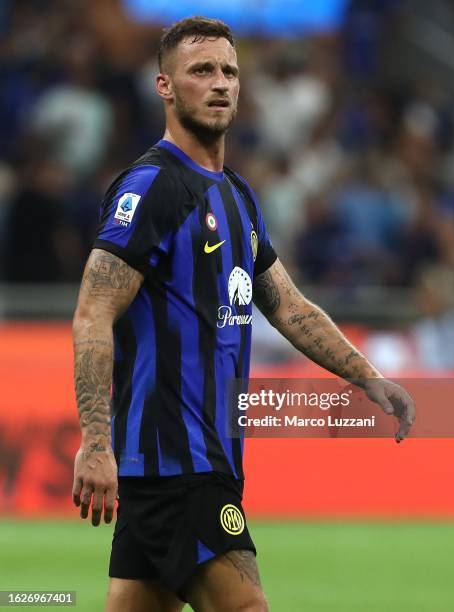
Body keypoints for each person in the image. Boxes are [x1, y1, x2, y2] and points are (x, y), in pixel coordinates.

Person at [71, 16, 415, 612]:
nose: (221, 83)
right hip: (179, 462)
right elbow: (92, 314)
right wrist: (96, 441)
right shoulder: (152, 187)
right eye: (201, 71)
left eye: (230, 71)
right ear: (165, 87)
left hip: (205, 462)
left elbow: (290, 307)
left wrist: (367, 376)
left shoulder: (236, 196)